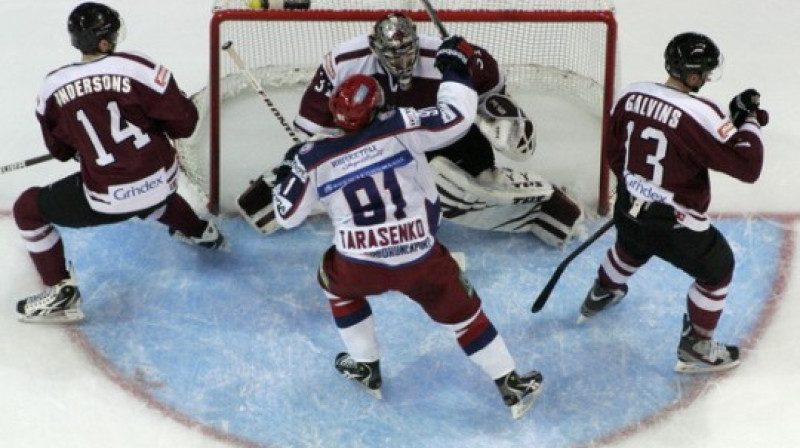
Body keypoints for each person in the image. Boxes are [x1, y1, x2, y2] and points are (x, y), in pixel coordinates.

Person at [271, 36, 543, 419]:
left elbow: (286, 216)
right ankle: (509, 383)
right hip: (421, 257)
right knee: (465, 317)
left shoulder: (313, 157)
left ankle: (366, 365)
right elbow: (456, 117)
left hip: (359, 265)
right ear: (376, 107)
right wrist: (454, 70)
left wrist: (289, 172)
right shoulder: (399, 126)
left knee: (335, 285)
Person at [238, 12, 583, 247]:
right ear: (375, 48)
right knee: (351, 183)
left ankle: (537, 205)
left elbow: (488, 92)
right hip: (384, 144)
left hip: (440, 139)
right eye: (393, 55)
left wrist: (472, 70)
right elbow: (314, 130)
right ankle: (279, 188)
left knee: (451, 191)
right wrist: (307, 162)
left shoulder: (441, 56)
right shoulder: (344, 61)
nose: (403, 63)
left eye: (408, 53)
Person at [13, 2, 224, 324]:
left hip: (107, 198)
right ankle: (202, 232)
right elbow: (185, 122)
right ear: (105, 41)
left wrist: (84, 146)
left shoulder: (52, 87)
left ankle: (59, 292)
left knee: (27, 208)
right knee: (146, 188)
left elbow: (59, 150)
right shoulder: (139, 67)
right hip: (163, 181)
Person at [576, 32, 768, 373]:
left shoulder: (630, 93)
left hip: (629, 206)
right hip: (676, 226)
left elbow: (615, 153)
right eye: (705, 71)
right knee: (717, 269)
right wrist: (749, 120)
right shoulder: (702, 112)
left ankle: (602, 291)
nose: (708, 78)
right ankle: (697, 344)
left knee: (630, 246)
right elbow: (747, 165)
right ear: (693, 75)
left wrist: (636, 190)